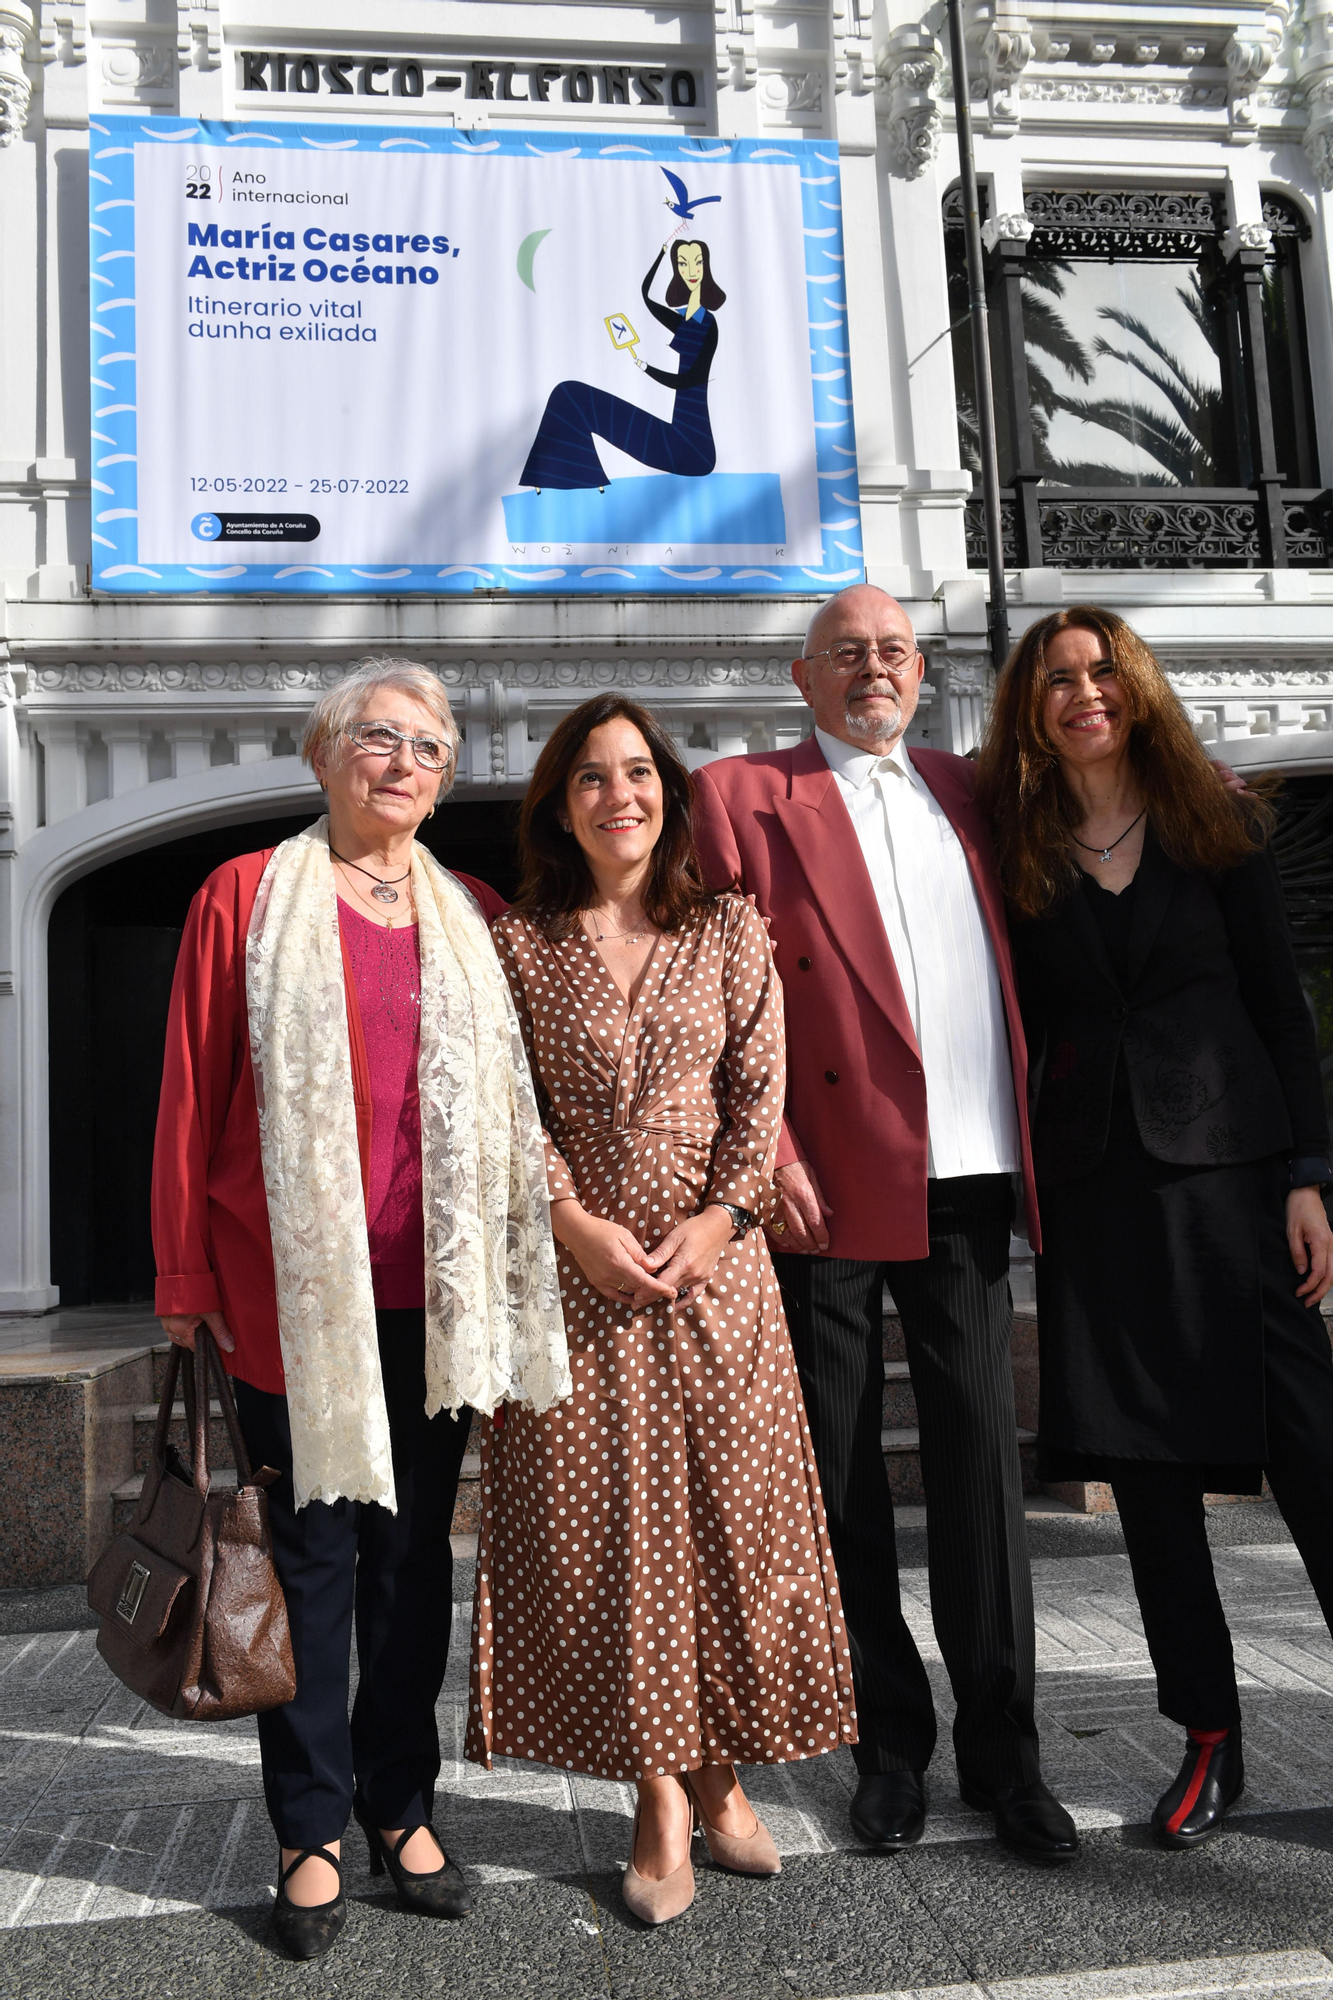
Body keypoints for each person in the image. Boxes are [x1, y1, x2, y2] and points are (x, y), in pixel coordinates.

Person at [151, 658, 567, 1961]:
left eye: (426, 747)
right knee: (312, 1566)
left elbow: (508, 1117)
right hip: (291, 1303)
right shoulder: (244, 898)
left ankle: (404, 1804)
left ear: (445, 784)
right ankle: (310, 1828)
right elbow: (188, 1096)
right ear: (326, 756)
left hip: (432, 1307)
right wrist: (183, 1277)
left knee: (408, 1567)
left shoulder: (475, 912)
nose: (400, 761)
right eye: (375, 738)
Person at [692, 584, 1079, 1864]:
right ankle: (890, 1746)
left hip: (969, 1171)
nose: (875, 670)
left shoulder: (979, 789)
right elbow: (720, 1000)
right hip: (826, 1182)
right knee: (845, 1476)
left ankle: (1007, 1754)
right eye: (848, 653)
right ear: (804, 679)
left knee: (982, 1476)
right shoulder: (745, 794)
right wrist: (772, 1151)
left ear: (924, 674)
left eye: (896, 652)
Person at [467, 694, 855, 1926]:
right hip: (578, 1284)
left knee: (732, 1530)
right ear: (559, 803)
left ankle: (725, 1767)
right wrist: (571, 1221)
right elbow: (500, 1108)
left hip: (718, 1280)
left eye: (638, 773)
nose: (618, 794)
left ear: (669, 798)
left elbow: (760, 1096)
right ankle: (658, 1796)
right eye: (591, 776)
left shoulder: (734, 927)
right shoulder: (517, 945)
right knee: (611, 1538)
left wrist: (725, 1218)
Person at [976, 605, 1333, 1848]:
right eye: (1058, 679)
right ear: (1030, 705)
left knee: (1319, 1459)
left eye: (1102, 671)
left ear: (1134, 687)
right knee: (1152, 1491)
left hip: (1237, 1188)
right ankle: (1209, 1741)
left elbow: (1280, 1005)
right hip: (1101, 1201)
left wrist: (1308, 1170)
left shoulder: (1212, 817)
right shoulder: (1008, 841)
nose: (1084, 692)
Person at [520, 239, 723, 491]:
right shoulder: (685, 319)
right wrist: (660, 254)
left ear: (706, 267)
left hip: (692, 446)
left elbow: (690, 378)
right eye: (682, 264)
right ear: (677, 269)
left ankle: (564, 480)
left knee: (571, 395)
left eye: (697, 262)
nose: (691, 271)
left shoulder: (707, 325)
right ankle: (556, 479)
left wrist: (647, 368)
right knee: (568, 393)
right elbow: (646, 297)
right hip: (675, 436)